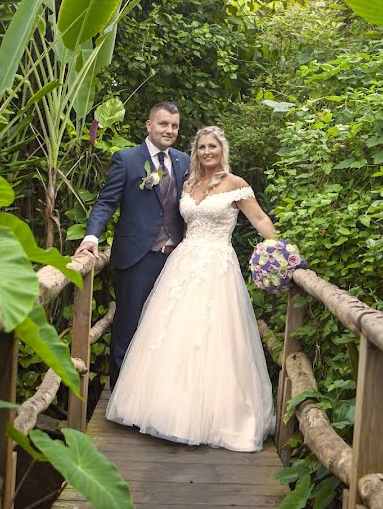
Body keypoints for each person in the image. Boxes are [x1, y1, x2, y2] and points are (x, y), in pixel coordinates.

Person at [105, 126, 276, 452]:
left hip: (217, 266)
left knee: (210, 338)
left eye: (213, 146)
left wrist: (280, 248)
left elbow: (260, 219)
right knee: (171, 335)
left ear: (222, 149)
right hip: (182, 264)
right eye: (201, 147)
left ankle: (213, 415)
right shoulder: (187, 184)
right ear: (195, 152)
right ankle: (164, 410)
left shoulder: (236, 184)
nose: (207, 152)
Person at [76, 102, 189, 386]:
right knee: (127, 327)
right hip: (137, 258)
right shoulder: (126, 160)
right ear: (149, 126)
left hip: (175, 259)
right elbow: (106, 202)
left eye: (174, 125)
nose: (169, 130)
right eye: (163, 124)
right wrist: (91, 237)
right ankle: (120, 397)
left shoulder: (183, 161)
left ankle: (154, 393)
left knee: (166, 328)